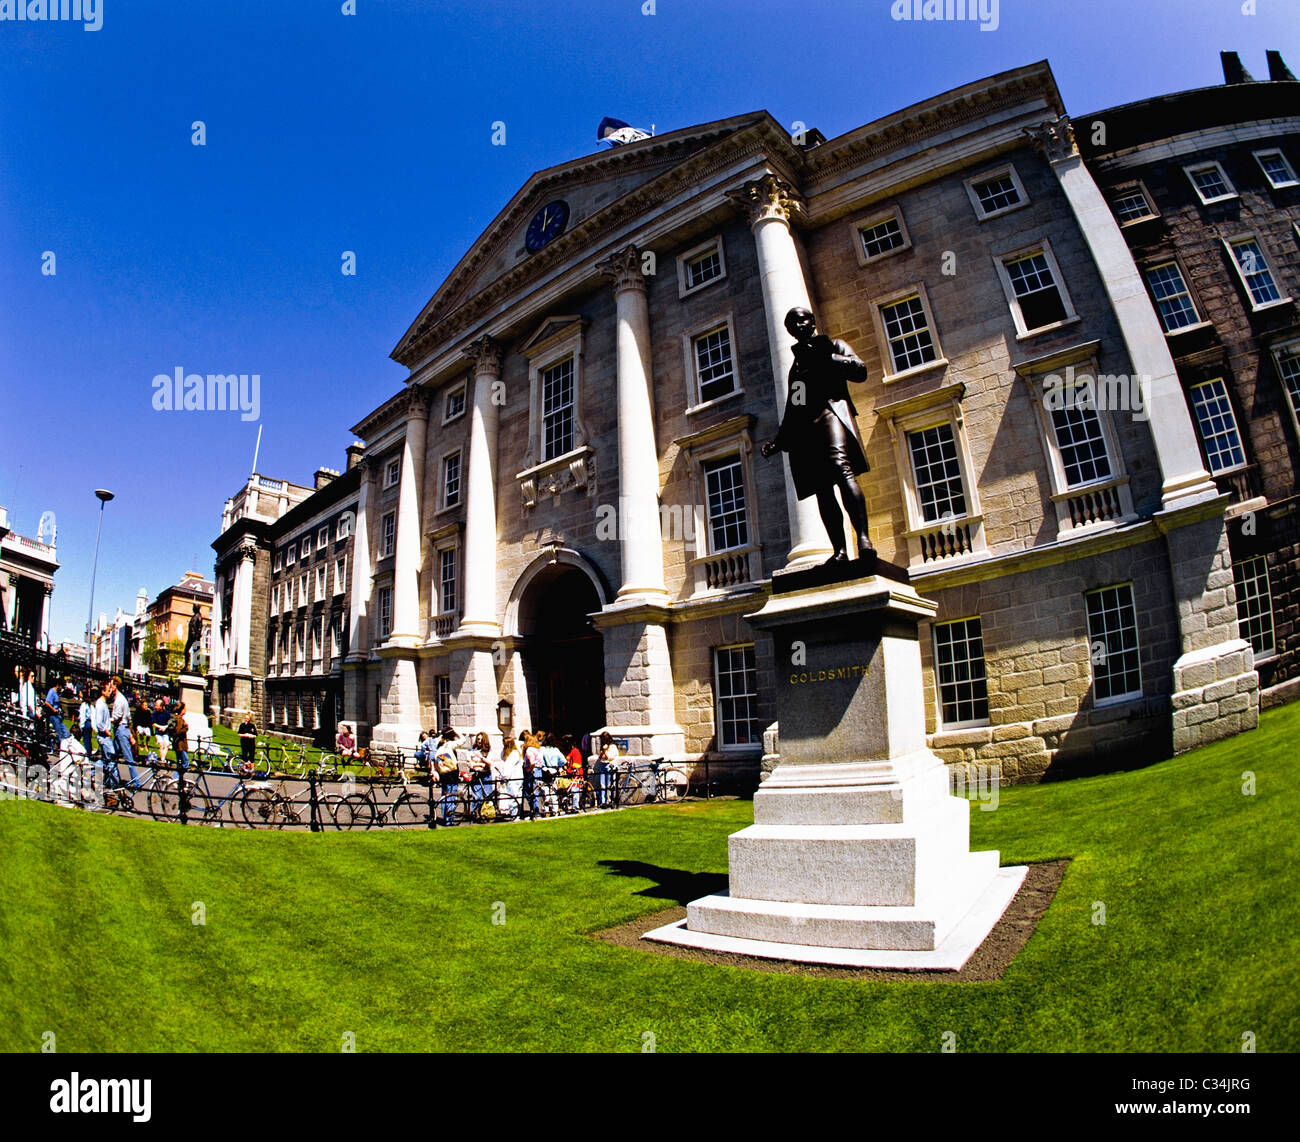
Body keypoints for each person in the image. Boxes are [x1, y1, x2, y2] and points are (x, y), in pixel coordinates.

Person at [761, 306, 873, 564]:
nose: (798, 327)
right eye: (792, 325)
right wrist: (779, 440)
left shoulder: (834, 346)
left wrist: (826, 358)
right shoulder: (797, 368)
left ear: (811, 321)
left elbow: (860, 371)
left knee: (840, 466)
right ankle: (840, 550)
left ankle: (864, 538)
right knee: (822, 489)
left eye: (801, 320)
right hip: (808, 428)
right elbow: (796, 404)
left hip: (831, 413)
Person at [106, 676, 140, 789]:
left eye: (111, 685)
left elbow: (116, 717)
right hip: (121, 729)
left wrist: (104, 719)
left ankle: (136, 783)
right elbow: (128, 718)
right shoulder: (120, 699)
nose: (110, 687)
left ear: (115, 686)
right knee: (113, 755)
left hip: (121, 729)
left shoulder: (119, 700)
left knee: (128, 758)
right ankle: (112, 779)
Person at [433, 728, 461, 825]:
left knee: (444, 795)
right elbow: (463, 740)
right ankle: (449, 819)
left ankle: (445, 818)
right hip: (452, 774)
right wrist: (456, 731)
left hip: (443, 773)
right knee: (451, 796)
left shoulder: (440, 744)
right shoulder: (450, 744)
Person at [468, 732, 494, 818]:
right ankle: (475, 814)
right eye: (478, 739)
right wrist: (481, 764)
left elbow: (489, 763)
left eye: (481, 739)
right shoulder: (472, 749)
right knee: (477, 796)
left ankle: (486, 814)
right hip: (476, 775)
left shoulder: (488, 750)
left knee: (487, 795)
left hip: (486, 775)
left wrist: (481, 758)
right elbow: (470, 764)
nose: (479, 741)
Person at [498, 735, 523, 819]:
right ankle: (515, 814)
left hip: (514, 778)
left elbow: (508, 767)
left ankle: (515, 815)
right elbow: (502, 757)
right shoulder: (509, 753)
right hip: (513, 778)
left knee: (514, 796)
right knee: (513, 796)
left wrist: (503, 776)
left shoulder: (514, 754)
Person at [593, 731, 619, 809]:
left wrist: (605, 751)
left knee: (609, 784)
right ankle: (603, 801)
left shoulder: (612, 747)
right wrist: (601, 752)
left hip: (609, 765)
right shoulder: (603, 746)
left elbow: (609, 757)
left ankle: (608, 800)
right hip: (602, 765)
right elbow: (600, 757)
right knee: (602, 784)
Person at [561, 734, 584, 813]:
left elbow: (576, 765)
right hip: (569, 774)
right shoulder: (569, 752)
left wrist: (568, 771)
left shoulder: (575, 751)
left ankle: (575, 807)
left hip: (576, 774)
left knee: (575, 791)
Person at [43, 676, 70, 743]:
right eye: (61, 686)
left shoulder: (57, 693)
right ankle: (62, 746)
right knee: (59, 733)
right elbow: (47, 702)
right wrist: (53, 709)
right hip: (53, 715)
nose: (62, 688)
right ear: (58, 685)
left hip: (58, 715)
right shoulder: (52, 691)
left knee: (66, 732)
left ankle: (66, 743)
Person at [172, 702, 190, 772]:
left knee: (180, 764)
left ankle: (177, 780)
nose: (185, 710)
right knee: (185, 764)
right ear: (182, 710)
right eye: (185, 709)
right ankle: (176, 779)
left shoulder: (178, 718)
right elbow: (178, 731)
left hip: (179, 745)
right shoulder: (180, 720)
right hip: (181, 745)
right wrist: (186, 727)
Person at [151, 698, 171, 765]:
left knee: (166, 744)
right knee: (161, 744)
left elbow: (170, 723)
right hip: (158, 732)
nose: (155, 706)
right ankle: (162, 759)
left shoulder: (166, 713)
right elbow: (153, 723)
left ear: (161, 706)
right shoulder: (155, 713)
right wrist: (160, 727)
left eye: (157, 705)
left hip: (165, 732)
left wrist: (165, 727)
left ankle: (163, 759)